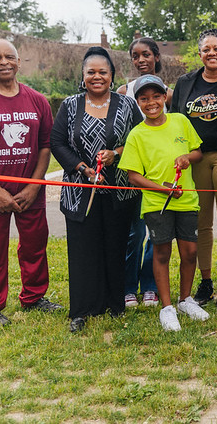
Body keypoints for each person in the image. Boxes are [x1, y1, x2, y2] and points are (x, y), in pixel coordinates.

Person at [0, 38, 62, 328]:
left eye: (9, 57)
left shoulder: (37, 100)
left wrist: (34, 185)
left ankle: (33, 297)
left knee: (34, 246)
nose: (3, 62)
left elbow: (45, 146)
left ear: (19, 62)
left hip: (30, 192)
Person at [50, 47, 143, 332]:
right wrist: (81, 168)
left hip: (119, 191)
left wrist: (117, 153)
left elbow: (141, 140)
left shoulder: (127, 105)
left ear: (112, 75)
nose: (97, 77)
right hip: (80, 192)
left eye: (103, 72)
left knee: (115, 247)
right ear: (83, 75)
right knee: (82, 250)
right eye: (91, 72)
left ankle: (114, 304)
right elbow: (57, 143)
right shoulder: (70, 104)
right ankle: (81, 309)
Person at [118, 74, 209, 331]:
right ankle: (167, 307)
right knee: (162, 252)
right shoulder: (137, 134)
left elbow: (198, 152)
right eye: (144, 99)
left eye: (156, 96)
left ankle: (185, 299)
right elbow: (134, 176)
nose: (151, 103)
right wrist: (162, 189)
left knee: (190, 252)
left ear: (164, 97)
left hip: (187, 199)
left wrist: (186, 157)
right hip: (158, 204)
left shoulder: (180, 121)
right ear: (138, 102)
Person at [171, 29, 217, 310]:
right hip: (196, 157)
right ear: (200, 54)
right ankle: (206, 279)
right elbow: (175, 120)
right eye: (206, 49)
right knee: (200, 221)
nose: (212, 53)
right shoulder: (186, 83)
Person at [117, 37, 169, 308]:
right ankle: (128, 287)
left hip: (161, 174)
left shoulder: (168, 93)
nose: (141, 60)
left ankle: (150, 285)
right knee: (134, 233)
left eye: (146, 54)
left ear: (157, 57)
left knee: (156, 234)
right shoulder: (123, 92)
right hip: (134, 173)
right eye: (136, 56)